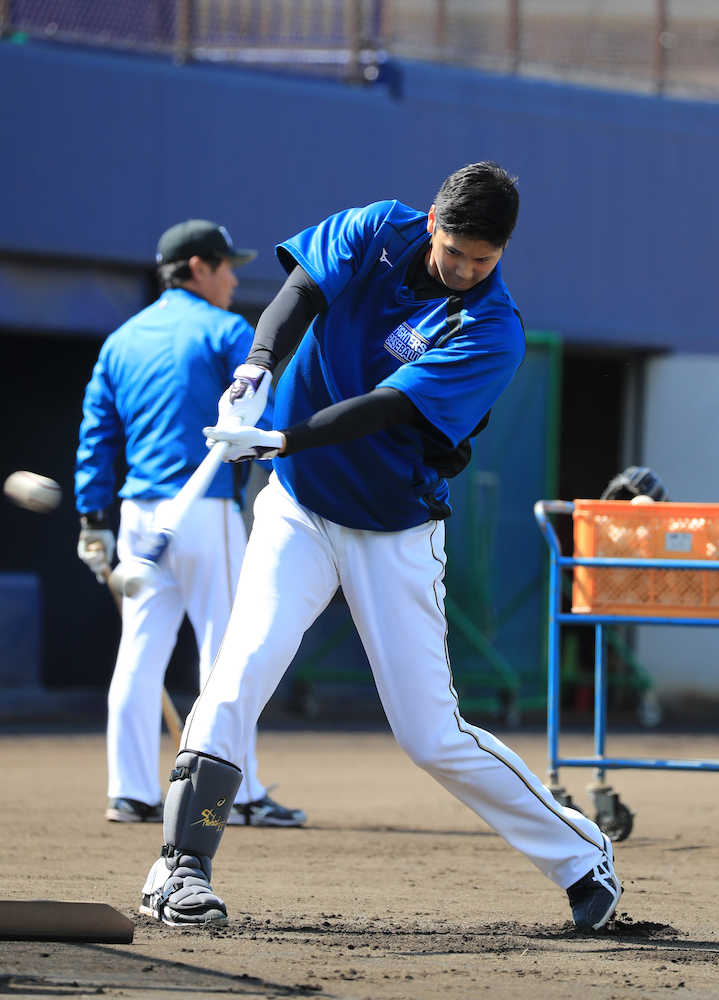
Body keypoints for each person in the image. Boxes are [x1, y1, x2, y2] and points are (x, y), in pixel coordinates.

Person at [139, 163, 622, 931]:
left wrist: (281, 436)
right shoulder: (375, 228)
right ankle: (180, 868)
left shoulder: (491, 330)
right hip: (297, 507)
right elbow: (300, 294)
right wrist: (257, 367)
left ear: (502, 255)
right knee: (239, 669)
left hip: (393, 527)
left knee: (429, 735)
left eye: (483, 260)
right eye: (456, 249)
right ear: (432, 219)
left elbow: (388, 408)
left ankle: (579, 855)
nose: (465, 270)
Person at [74, 219, 306, 829]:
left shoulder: (122, 339)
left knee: (140, 653)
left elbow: (97, 433)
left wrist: (91, 517)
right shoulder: (229, 330)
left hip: (139, 517)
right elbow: (264, 417)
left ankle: (129, 792)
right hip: (204, 513)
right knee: (226, 655)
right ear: (198, 267)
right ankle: (244, 793)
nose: (233, 276)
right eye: (226, 264)